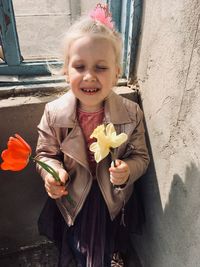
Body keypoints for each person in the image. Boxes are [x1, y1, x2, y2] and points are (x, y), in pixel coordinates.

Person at [36, 3, 150, 267]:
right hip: (74, 195)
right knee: (77, 244)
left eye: (101, 67)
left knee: (108, 241)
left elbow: (141, 156)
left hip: (111, 198)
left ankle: (111, 257)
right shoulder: (54, 114)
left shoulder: (131, 114)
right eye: (79, 66)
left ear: (116, 74)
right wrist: (52, 174)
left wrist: (128, 169)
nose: (89, 76)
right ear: (66, 71)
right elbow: (44, 154)